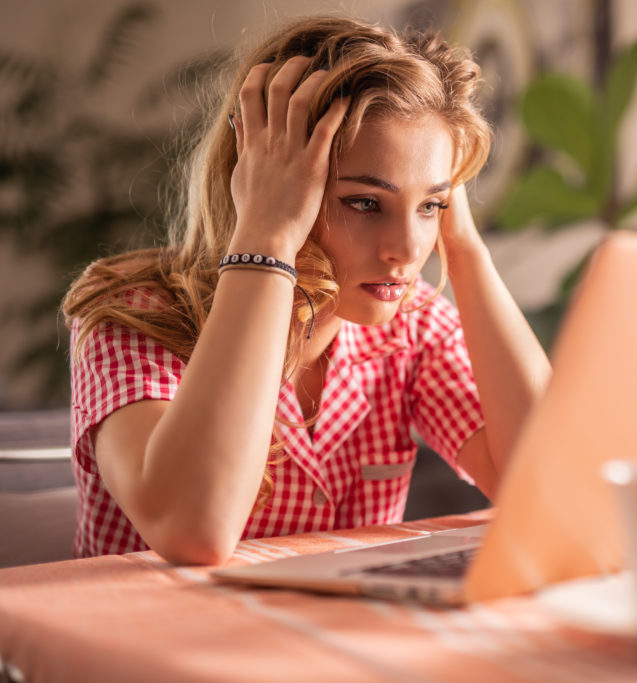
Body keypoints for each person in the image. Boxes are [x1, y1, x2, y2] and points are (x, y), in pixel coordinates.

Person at [61, 15, 550, 565]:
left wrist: (465, 250)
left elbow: (550, 491)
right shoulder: (131, 315)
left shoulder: (411, 324)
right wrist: (267, 233)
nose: (408, 250)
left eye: (430, 206)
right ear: (264, 180)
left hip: (336, 643)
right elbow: (192, 529)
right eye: (365, 202)